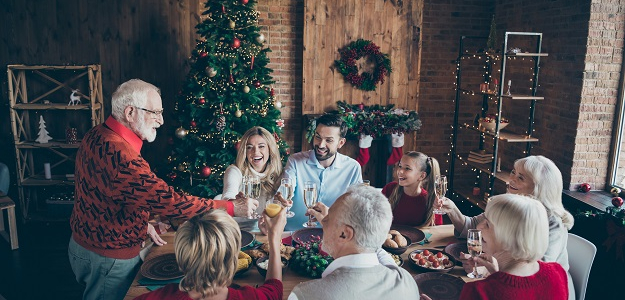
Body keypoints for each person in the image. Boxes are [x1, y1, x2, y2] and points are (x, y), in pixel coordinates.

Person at [68, 79, 258, 300]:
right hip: (107, 259)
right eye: (155, 112)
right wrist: (231, 207)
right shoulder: (121, 155)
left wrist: (140, 223)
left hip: (84, 246)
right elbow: (171, 201)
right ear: (130, 113)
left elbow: (107, 193)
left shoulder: (98, 134)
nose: (161, 120)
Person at [438, 155, 575, 299]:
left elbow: (531, 274)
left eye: (521, 178)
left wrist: (487, 271)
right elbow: (473, 226)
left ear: (539, 189)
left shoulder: (554, 225)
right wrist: (452, 209)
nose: (511, 179)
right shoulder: (509, 207)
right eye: (513, 172)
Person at [288, 185, 420, 300]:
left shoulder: (304, 295)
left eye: (327, 219)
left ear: (344, 234)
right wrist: (333, 223)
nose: (324, 223)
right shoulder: (407, 281)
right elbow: (375, 249)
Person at [428, 194, 567, 299]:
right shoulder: (558, 273)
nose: (479, 226)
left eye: (487, 224)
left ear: (509, 239)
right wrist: (496, 274)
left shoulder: (479, 291)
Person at [134, 208, 287, 300]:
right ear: (232, 259)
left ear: (182, 257)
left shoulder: (155, 297)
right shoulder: (249, 297)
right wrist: (274, 238)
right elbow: (274, 290)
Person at [281, 114, 362, 230]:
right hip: (292, 233)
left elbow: (356, 209)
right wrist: (281, 200)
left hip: (333, 236)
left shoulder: (352, 168)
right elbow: (285, 189)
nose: (321, 144)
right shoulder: (295, 161)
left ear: (341, 143)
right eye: (318, 137)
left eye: (328, 140)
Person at [222, 126, 283, 215]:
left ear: (270, 149)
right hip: (240, 227)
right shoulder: (234, 171)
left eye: (261, 146)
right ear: (245, 151)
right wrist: (235, 203)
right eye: (249, 147)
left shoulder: (279, 173)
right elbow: (227, 197)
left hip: (267, 227)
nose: (255, 152)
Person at [381, 151, 442, 226]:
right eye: (400, 166)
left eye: (407, 168)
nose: (400, 171)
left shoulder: (431, 200)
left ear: (421, 176)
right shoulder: (389, 189)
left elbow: (437, 231)